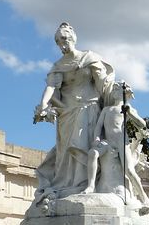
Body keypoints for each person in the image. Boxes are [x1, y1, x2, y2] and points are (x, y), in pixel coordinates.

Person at [33, 23, 113, 199]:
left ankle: (85, 183)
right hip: (67, 112)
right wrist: (43, 105)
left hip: (90, 107)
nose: (62, 44)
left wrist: (116, 98)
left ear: (73, 38)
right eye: (58, 42)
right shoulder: (58, 65)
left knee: (83, 144)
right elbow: (51, 87)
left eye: (64, 39)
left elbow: (103, 86)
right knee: (66, 151)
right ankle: (69, 184)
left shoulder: (89, 58)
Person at [83, 80, 149, 208]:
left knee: (129, 170)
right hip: (107, 141)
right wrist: (97, 139)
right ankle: (91, 186)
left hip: (121, 140)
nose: (114, 92)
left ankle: (144, 198)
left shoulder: (127, 108)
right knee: (92, 153)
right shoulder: (106, 109)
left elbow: (142, 124)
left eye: (116, 89)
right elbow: (98, 127)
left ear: (124, 93)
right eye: (113, 89)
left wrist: (129, 112)